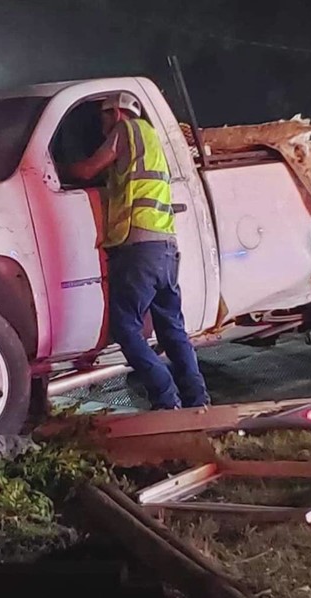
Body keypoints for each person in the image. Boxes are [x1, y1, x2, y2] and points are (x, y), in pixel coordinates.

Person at [66, 93, 209, 410]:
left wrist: (62, 168)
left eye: (104, 118)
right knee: (172, 329)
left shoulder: (126, 130)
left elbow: (89, 170)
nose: (102, 126)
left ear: (116, 113)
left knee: (126, 327)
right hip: (166, 246)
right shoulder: (153, 139)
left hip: (138, 247)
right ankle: (197, 400)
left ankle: (164, 396)